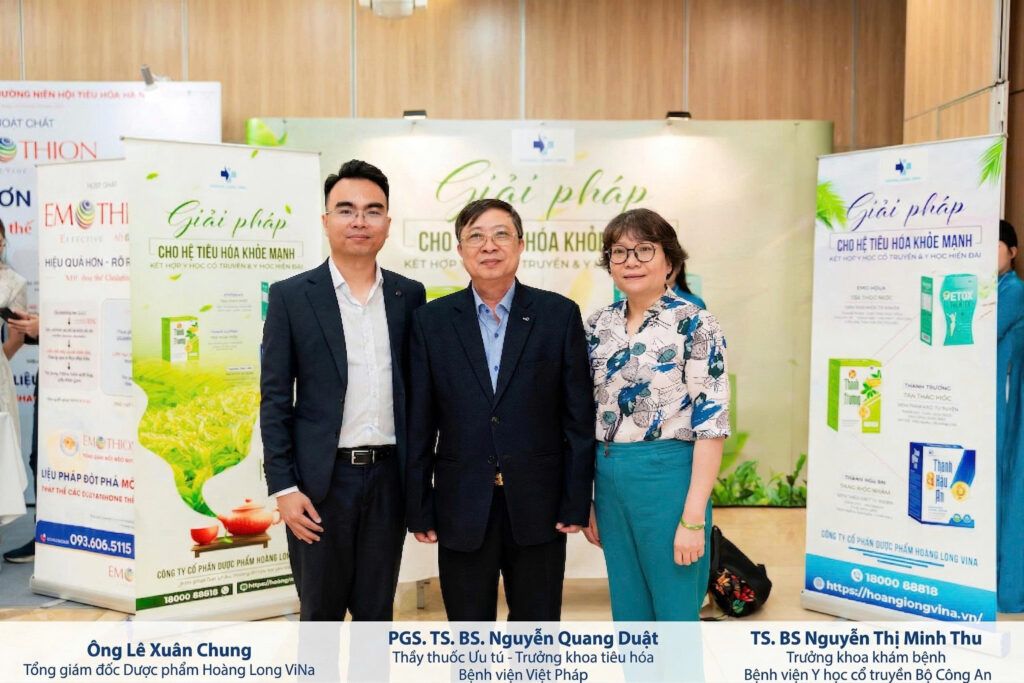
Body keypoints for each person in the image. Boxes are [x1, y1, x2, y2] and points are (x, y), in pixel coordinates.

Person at [406, 197, 595, 621]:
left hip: (540, 504)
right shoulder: (431, 322)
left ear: (521, 245)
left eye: (500, 235)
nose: (488, 245)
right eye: (476, 236)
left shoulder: (558, 315)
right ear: (460, 250)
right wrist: (419, 506)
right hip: (461, 504)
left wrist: (575, 501)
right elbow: (420, 423)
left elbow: (578, 419)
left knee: (537, 632)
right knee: (468, 634)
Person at [260, 160, 425, 621]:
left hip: (388, 482)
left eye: (372, 211)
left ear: (387, 223)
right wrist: (284, 487)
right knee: (320, 618)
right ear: (326, 220)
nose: (359, 221)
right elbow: (275, 399)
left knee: (376, 618)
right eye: (346, 210)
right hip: (319, 486)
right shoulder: (292, 296)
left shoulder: (409, 296)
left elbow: (418, 395)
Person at [583, 208, 730, 621]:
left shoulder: (696, 324)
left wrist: (693, 519)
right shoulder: (596, 327)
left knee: (674, 615)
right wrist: (586, 500)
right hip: (608, 478)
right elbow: (581, 415)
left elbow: (712, 425)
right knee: (629, 615)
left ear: (670, 261)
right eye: (619, 252)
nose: (631, 261)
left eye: (644, 250)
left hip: (670, 479)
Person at [997, 219, 1024, 612]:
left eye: (996, 246)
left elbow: (980, 333)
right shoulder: (991, 290)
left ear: (1013, 252)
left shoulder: (1014, 290)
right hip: (990, 400)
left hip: (1004, 404)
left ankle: (1006, 583)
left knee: (1005, 484)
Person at [2, 306, 38, 564]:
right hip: (53, 375)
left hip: (78, 377)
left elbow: (16, 337)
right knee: (40, 460)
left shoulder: (11, 286)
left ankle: (48, 538)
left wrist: (44, 327)